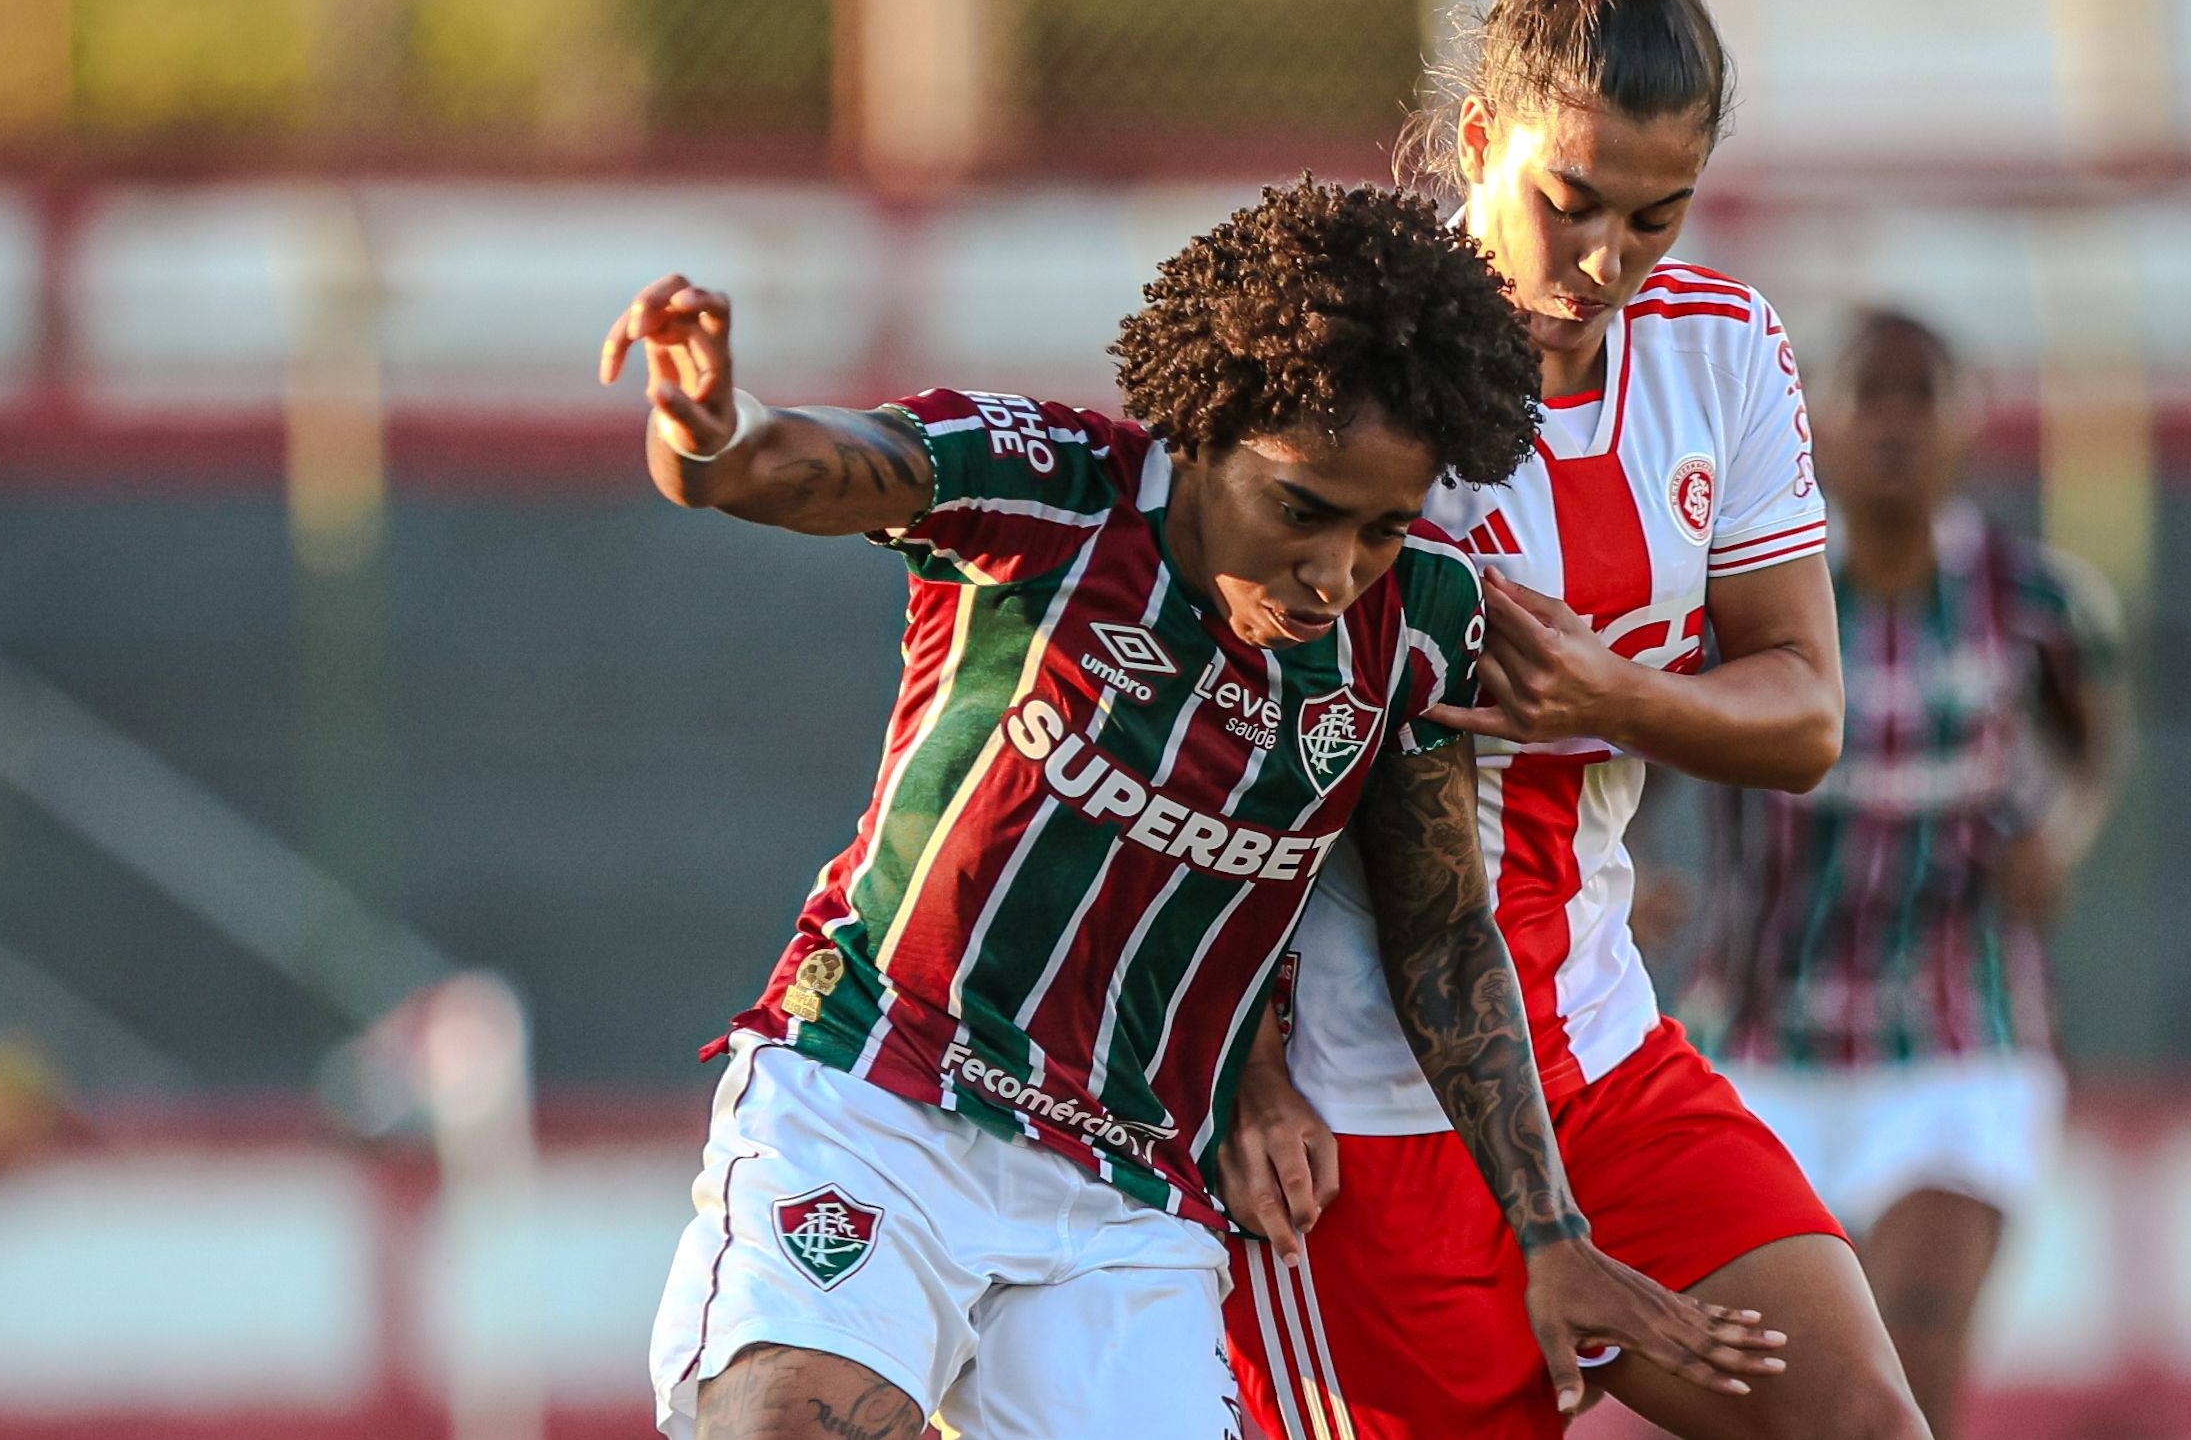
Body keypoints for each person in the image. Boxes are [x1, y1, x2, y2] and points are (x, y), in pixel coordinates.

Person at [618, 180, 1786, 1440]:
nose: (1336, 571)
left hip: (1129, 1194)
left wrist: (1552, 1232)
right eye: (1304, 509)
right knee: (789, 1422)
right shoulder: (1050, 494)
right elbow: (782, 463)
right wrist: (710, 425)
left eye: (1385, 528)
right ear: (1206, 428)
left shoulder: (1415, 630)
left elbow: (1441, 937)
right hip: (884, 1097)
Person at [1219, 0, 1937, 1440]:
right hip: (1370, 1103)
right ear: (1477, 144)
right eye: (1574, 200)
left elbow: (1802, 708)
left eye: (1656, 214)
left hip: (1601, 1053)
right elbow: (1209, 733)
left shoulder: (1725, 351)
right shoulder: (1344, 361)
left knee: (1863, 1419)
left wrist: (1617, 698)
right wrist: (1239, 1073)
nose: (1609, 257)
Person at [1676, 308, 2129, 1440]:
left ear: (1967, 424)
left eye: (1918, 396)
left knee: (1912, 1353)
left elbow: (2093, 747)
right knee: (1763, 1384)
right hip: (1762, 1040)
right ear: (1813, 421)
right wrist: (1622, 879)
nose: (1891, 424)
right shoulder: (1745, 605)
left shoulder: (2038, 604)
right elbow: (1638, 759)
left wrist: (2057, 837)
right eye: (1865, 395)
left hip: (1955, 1039)